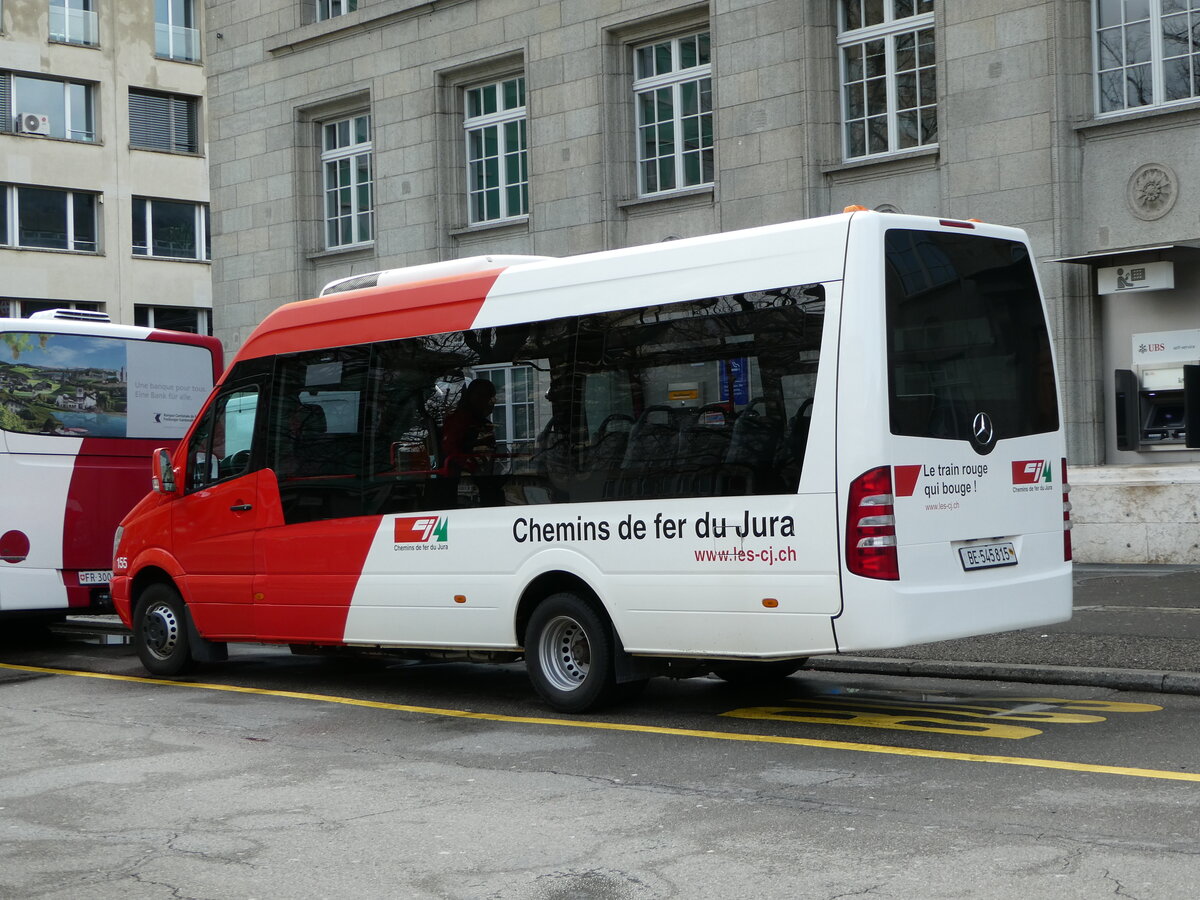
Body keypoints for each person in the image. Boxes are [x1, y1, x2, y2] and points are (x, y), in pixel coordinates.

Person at [441, 379, 504, 506]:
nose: (486, 401)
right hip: (461, 482)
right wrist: (472, 466)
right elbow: (450, 450)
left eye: (489, 397)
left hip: (482, 479)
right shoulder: (459, 420)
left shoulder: (483, 424)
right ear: (469, 396)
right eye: (480, 396)